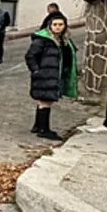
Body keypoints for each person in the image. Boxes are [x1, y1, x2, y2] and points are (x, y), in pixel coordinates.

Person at [26, 13, 79, 141]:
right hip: (45, 74)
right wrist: (36, 71)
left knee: (44, 100)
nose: (57, 27)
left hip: (56, 74)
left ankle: (38, 126)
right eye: (55, 25)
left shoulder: (65, 40)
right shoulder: (43, 40)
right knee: (46, 101)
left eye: (60, 25)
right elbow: (30, 56)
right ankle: (44, 130)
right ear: (50, 25)